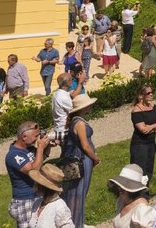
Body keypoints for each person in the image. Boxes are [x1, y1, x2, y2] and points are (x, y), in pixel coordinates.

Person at [61, 94, 100, 227]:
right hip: (83, 160)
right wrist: (95, 158)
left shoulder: (76, 121)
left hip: (80, 158)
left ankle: (76, 221)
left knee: (78, 191)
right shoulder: (80, 123)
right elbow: (85, 145)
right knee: (79, 192)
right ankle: (76, 223)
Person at [5, 122, 49, 228]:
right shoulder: (14, 155)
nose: (38, 138)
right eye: (35, 136)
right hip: (25, 200)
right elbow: (34, 170)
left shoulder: (28, 149)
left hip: (36, 195)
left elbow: (42, 157)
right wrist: (40, 148)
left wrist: (47, 147)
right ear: (24, 137)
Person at [129, 84, 156, 181]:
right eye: (148, 93)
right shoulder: (136, 111)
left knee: (149, 170)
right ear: (141, 96)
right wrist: (155, 126)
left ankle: (145, 192)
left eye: (152, 92)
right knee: (140, 171)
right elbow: (144, 130)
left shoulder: (153, 107)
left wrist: (151, 126)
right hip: (140, 145)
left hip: (151, 143)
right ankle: (137, 194)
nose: (151, 94)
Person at [25, 164, 73, 228]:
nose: (34, 185)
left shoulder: (60, 207)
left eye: (37, 183)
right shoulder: (37, 203)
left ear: (44, 186)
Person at [51, 74, 74, 140]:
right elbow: (73, 110)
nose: (72, 81)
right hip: (64, 129)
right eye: (71, 79)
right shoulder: (63, 97)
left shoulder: (57, 93)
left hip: (59, 127)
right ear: (67, 82)